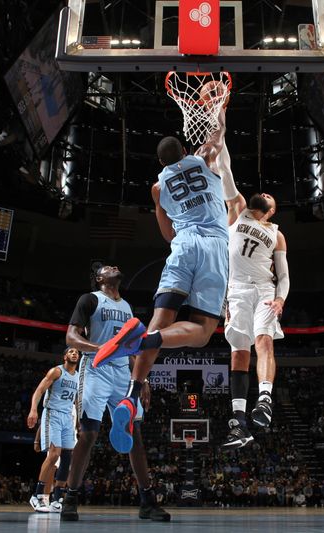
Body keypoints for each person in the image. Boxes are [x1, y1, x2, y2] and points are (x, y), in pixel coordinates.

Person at [92, 106, 237, 454]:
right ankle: (143, 341)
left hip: (183, 245)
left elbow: (167, 233)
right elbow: (217, 136)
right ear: (185, 153)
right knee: (202, 332)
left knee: (160, 319)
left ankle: (130, 395)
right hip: (214, 245)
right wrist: (221, 106)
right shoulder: (203, 158)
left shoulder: (157, 188)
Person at [61, 265, 170, 522]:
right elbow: (70, 337)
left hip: (123, 373)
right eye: (106, 268)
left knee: (135, 434)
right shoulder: (89, 299)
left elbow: (131, 349)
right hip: (96, 368)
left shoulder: (128, 308)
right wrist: (103, 348)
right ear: (99, 278)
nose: (114, 267)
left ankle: (147, 501)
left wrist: (142, 379)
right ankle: (70, 497)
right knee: (88, 434)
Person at [216, 141, 289, 449]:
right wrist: (218, 124)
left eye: (271, 196)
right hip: (235, 293)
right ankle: (239, 423)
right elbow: (224, 167)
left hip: (263, 291)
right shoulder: (239, 209)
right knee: (238, 354)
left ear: (271, 210)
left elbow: (283, 275)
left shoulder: (276, 233)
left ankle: (265, 399)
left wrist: (281, 298)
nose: (266, 192)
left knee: (263, 340)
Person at [26, 347, 80, 512]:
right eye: (71, 351)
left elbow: (76, 399)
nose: (74, 353)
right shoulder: (56, 371)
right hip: (53, 413)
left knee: (67, 458)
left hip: (68, 418)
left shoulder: (79, 377)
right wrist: (33, 410)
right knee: (54, 453)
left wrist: (78, 422)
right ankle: (37, 495)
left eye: (77, 352)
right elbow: (39, 390)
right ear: (65, 356)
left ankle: (57, 500)